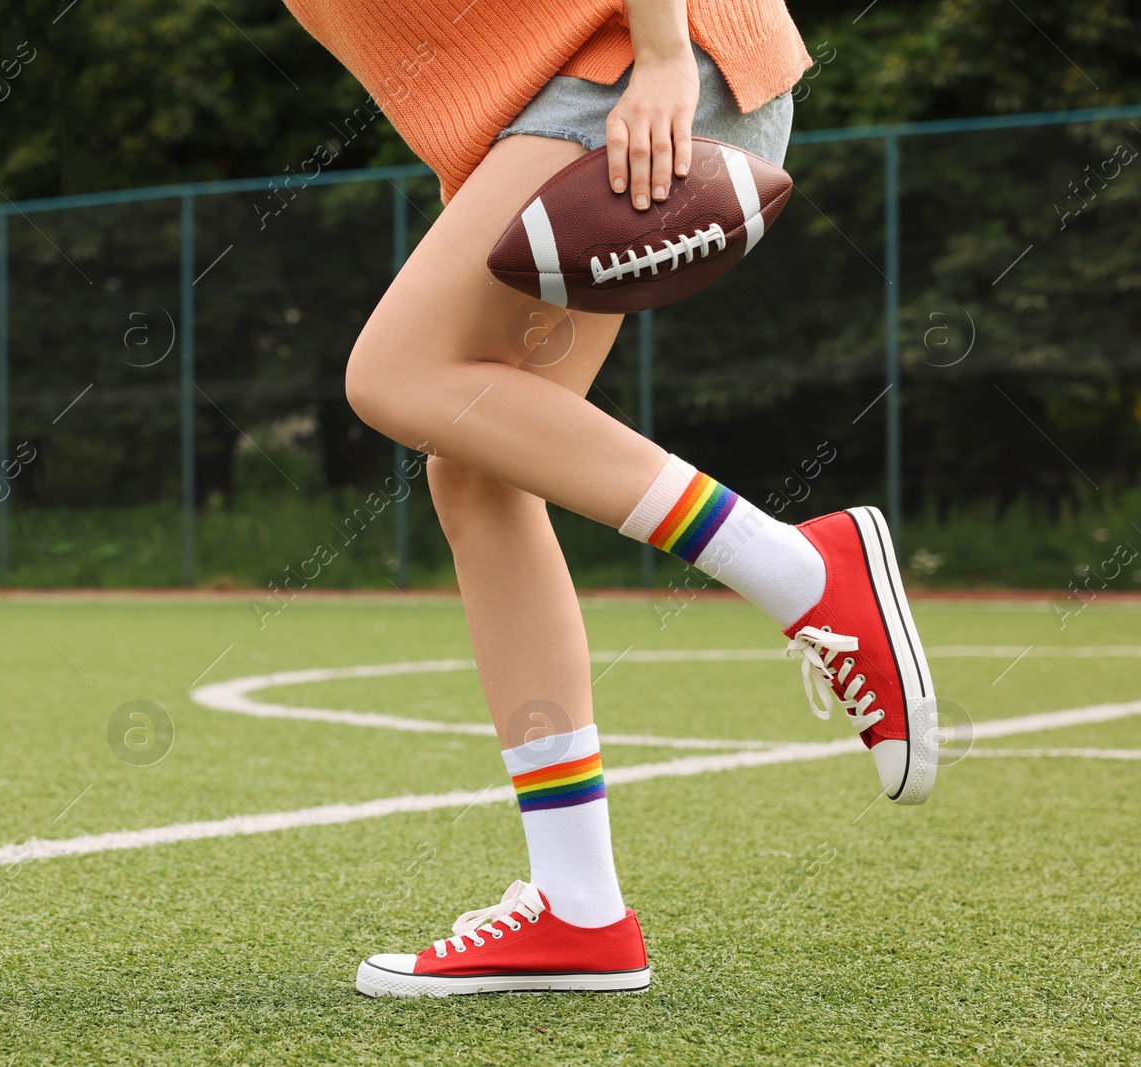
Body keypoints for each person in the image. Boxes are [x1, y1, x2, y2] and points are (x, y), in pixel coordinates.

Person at [277, 0, 939, 997]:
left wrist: (664, 54)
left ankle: (804, 569)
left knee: (396, 374)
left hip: (635, 77)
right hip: (568, 101)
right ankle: (577, 907)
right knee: (477, 470)